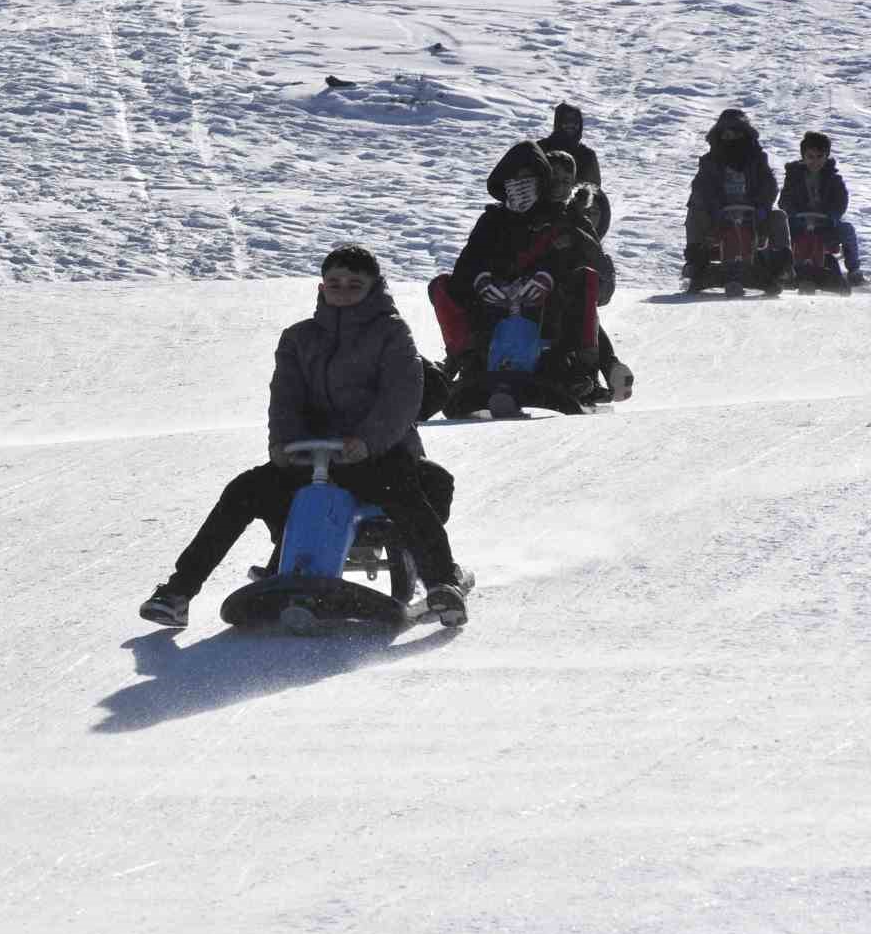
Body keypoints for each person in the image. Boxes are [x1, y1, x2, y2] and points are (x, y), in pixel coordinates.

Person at [139, 245, 468, 629]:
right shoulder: (299, 339)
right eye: (334, 283)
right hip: (309, 456)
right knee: (244, 489)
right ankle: (178, 592)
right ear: (321, 287)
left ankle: (443, 585)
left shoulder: (392, 334)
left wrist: (366, 442)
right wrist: (283, 444)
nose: (342, 291)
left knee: (402, 488)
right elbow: (286, 399)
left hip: (376, 454)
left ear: (374, 288)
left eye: (354, 284)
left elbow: (401, 398)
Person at [430, 141, 604, 406]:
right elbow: (467, 264)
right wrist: (482, 280)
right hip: (492, 306)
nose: (521, 185)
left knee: (583, 280)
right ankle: (468, 360)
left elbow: (576, 260)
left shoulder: (559, 217)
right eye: (514, 178)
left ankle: (575, 367)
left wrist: (547, 277)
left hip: (547, 310)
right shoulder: (491, 221)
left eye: (528, 178)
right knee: (441, 286)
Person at [546, 149, 632, 402]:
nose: (589, 218)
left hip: (567, 303)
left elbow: (602, 290)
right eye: (585, 213)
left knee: (580, 304)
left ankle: (590, 372)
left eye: (594, 214)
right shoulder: (544, 221)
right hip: (534, 295)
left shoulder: (583, 238)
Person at [681, 108, 791, 291]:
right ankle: (696, 262)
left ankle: (781, 266)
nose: (731, 138)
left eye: (736, 133)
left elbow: (769, 185)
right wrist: (712, 206)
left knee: (779, 217)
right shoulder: (710, 162)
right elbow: (700, 188)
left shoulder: (757, 160)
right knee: (694, 212)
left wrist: (762, 206)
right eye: (726, 134)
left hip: (754, 217)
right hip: (717, 217)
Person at [779, 131, 862, 286]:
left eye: (819, 157)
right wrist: (792, 213)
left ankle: (854, 270)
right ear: (803, 157)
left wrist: (834, 215)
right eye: (810, 157)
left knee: (847, 230)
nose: (815, 161)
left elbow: (841, 200)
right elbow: (785, 199)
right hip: (799, 223)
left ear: (826, 156)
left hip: (825, 223)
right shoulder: (793, 177)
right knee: (780, 231)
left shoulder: (833, 179)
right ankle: (783, 268)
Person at [537, 102, 601, 187]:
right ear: (558, 123)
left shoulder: (588, 156)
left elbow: (594, 190)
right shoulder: (541, 149)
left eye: (575, 122)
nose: (571, 125)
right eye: (566, 121)